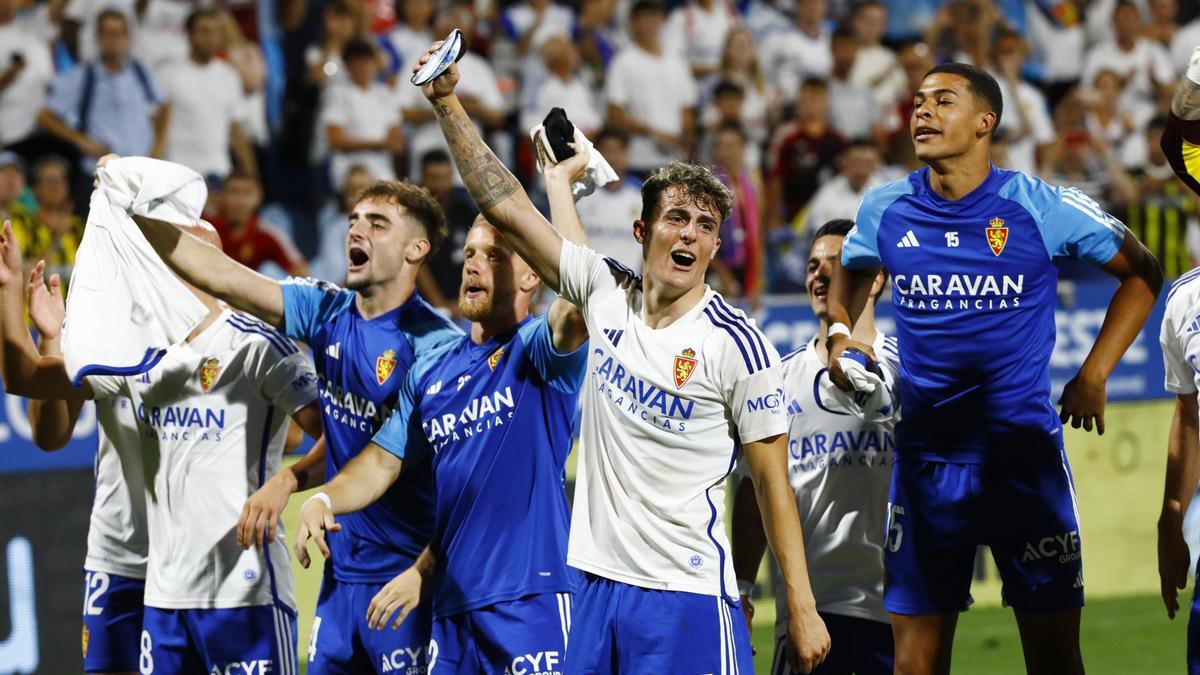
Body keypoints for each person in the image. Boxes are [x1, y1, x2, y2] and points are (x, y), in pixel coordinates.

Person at [413, 38, 831, 672]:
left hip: (685, 597)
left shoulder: (737, 344)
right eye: (677, 218)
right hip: (593, 589)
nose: (689, 232)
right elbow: (506, 209)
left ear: (717, 246)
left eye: (706, 225)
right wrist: (447, 103)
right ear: (642, 231)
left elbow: (773, 484)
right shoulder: (606, 295)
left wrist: (798, 604)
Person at [826, 62, 1162, 675]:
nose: (922, 111)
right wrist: (844, 335)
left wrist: (1094, 373)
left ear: (986, 122)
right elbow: (853, 269)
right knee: (915, 665)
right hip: (926, 464)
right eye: (919, 101)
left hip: (1022, 461)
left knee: (1055, 657)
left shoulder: (1041, 206)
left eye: (943, 101)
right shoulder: (884, 208)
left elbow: (1143, 272)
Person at [130, 177, 463, 674]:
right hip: (341, 576)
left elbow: (433, 474)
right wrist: (132, 204)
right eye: (354, 220)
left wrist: (421, 570)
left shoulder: (437, 349)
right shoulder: (326, 308)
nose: (358, 232)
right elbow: (219, 274)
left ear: (417, 248)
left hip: (407, 578)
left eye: (378, 223)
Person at [294, 150, 591, 673]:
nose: (474, 263)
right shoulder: (431, 369)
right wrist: (323, 498)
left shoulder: (539, 353)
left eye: (494, 256)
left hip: (530, 601)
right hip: (451, 613)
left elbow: (582, 291)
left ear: (531, 279)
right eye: (470, 252)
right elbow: (381, 464)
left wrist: (560, 185)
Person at [0, 217, 324, 674]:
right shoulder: (116, 339)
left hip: (216, 563)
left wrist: (287, 478)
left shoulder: (249, 345)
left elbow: (309, 434)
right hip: (125, 555)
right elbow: (48, 429)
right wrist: (50, 333)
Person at [733, 219, 896, 675]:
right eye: (811, 266)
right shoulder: (777, 380)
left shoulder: (906, 371)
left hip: (899, 612)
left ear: (875, 278)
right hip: (810, 617)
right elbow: (753, 493)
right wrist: (743, 589)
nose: (819, 275)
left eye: (836, 264)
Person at [38, 9, 165, 175]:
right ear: (99, 37)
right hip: (101, 174)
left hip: (140, 173)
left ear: (128, 37)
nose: (114, 40)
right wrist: (81, 141)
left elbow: (164, 105)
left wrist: (158, 146)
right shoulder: (83, 75)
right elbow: (45, 117)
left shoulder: (140, 72)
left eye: (119, 33)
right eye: (109, 33)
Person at [158, 8, 257, 184]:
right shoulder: (168, 73)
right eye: (204, 31)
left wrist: (252, 174)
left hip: (218, 173)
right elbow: (156, 127)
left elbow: (236, 130)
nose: (210, 38)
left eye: (215, 32)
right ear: (189, 34)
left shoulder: (229, 75)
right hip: (177, 172)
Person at [604, 0, 697, 175]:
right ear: (632, 23)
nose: (648, 25)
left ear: (662, 20)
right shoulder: (623, 62)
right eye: (642, 19)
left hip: (675, 160)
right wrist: (654, 133)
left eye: (653, 18)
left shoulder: (677, 63)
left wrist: (685, 139)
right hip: (639, 159)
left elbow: (687, 111)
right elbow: (614, 114)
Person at [320, 38, 404, 190]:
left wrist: (385, 144)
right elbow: (334, 140)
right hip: (348, 172)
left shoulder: (385, 93)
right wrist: (378, 144)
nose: (364, 67)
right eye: (358, 62)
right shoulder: (337, 93)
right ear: (347, 66)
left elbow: (396, 141)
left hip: (382, 171)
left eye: (368, 61)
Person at [209, 171, 309, 278]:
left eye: (247, 193)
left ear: (258, 198)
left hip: (244, 291)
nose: (240, 202)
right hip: (202, 290)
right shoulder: (206, 226)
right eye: (234, 192)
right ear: (222, 196)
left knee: (269, 271)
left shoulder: (269, 234)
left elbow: (303, 275)